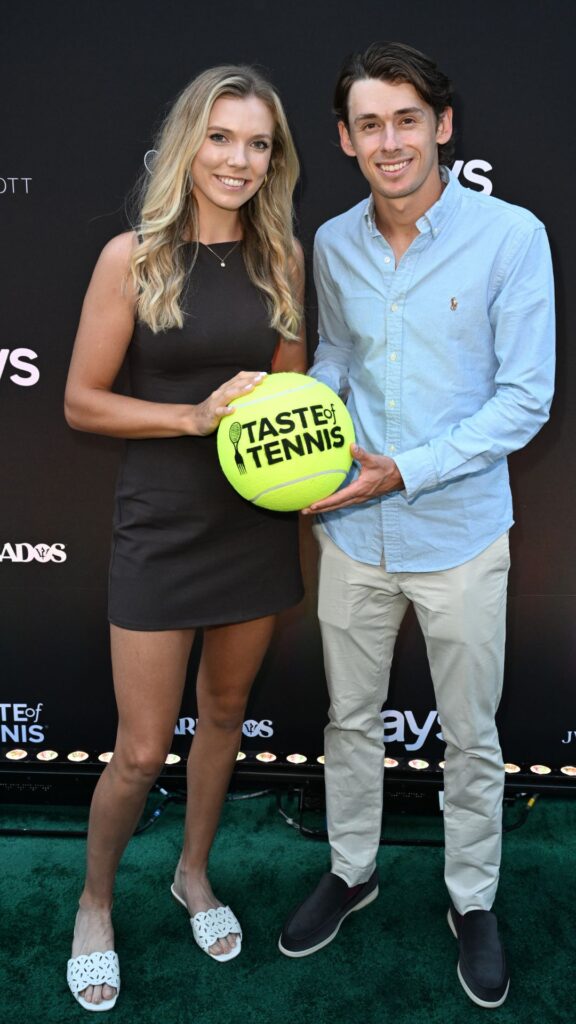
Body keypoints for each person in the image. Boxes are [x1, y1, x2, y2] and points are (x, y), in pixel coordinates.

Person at [278, 41, 554, 1009]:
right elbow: (339, 363)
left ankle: (470, 898)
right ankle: (352, 869)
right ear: (344, 140)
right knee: (348, 720)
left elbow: (526, 400)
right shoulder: (334, 242)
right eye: (368, 124)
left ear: (442, 126)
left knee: (470, 733)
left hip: (462, 535)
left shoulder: (513, 237)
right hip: (352, 538)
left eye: (406, 120)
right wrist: (279, 413)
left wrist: (407, 470)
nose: (388, 141)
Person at [64, 64, 305, 1011]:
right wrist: (190, 419)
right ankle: (93, 904)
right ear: (187, 143)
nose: (238, 160)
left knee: (226, 715)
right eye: (221, 138)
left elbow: (293, 399)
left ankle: (193, 875)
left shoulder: (281, 259)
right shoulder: (134, 255)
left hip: (254, 524)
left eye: (257, 144)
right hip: (160, 525)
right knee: (137, 751)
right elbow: (82, 401)